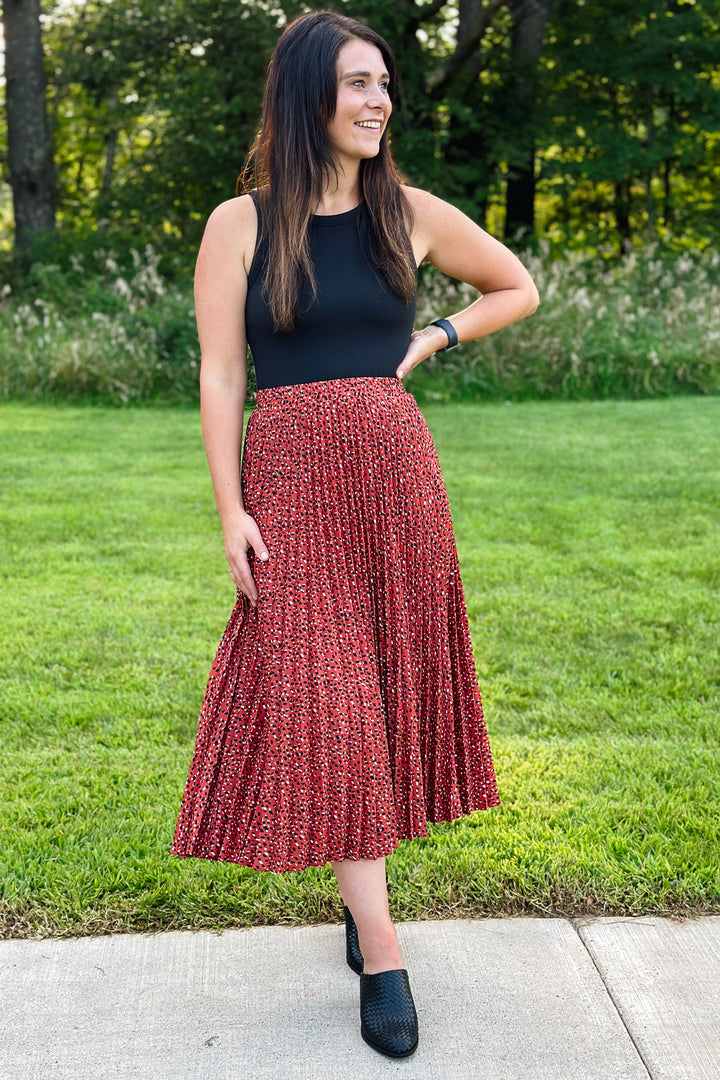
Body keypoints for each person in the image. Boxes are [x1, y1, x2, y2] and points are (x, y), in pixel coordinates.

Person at [170, 8, 539, 1060]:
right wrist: (230, 505)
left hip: (392, 475)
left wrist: (435, 335)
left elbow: (518, 285)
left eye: (384, 83)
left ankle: (355, 886)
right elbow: (221, 371)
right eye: (357, 85)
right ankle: (384, 954)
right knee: (327, 703)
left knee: (375, 695)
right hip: (287, 474)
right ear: (305, 97)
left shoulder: (411, 212)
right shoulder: (238, 223)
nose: (379, 101)